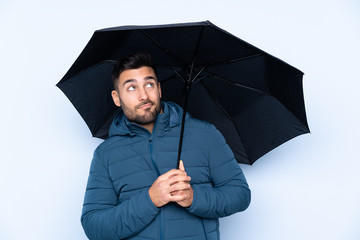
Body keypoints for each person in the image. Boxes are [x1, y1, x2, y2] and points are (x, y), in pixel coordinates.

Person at [81, 53, 251, 240]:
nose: (144, 95)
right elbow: (94, 226)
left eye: (149, 84)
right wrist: (150, 199)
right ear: (116, 97)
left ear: (159, 89)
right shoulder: (106, 154)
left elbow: (240, 194)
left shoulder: (204, 134)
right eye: (131, 88)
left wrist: (194, 197)